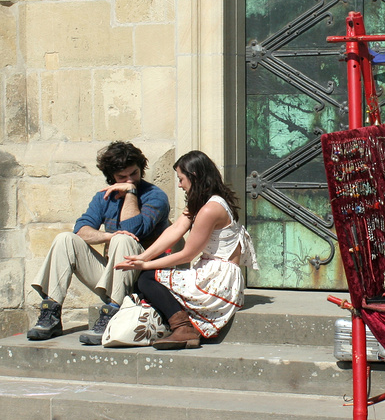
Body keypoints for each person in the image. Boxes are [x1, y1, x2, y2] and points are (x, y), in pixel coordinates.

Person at [28, 142, 170, 343]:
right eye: (122, 177)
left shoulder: (155, 196)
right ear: (112, 176)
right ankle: (51, 311)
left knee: (123, 238)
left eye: (134, 174)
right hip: (113, 276)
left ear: (141, 170)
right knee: (65, 239)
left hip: (143, 280)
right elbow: (82, 229)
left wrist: (130, 193)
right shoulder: (103, 197)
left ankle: (113, 312)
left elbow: (133, 230)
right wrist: (108, 237)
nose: (130, 180)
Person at [117, 150, 257, 350]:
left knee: (148, 278)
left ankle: (183, 328)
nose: (179, 184)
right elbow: (175, 229)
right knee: (146, 278)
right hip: (212, 273)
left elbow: (187, 254)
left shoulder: (210, 209)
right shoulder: (202, 202)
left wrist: (146, 264)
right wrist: (141, 257)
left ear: (195, 176)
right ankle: (177, 325)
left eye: (181, 179)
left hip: (219, 280)